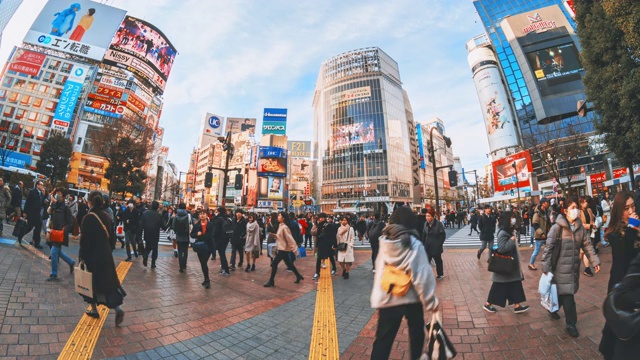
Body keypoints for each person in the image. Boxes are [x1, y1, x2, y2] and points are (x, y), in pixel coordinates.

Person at [370, 207, 439, 360]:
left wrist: (377, 295)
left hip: (387, 296)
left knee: (383, 339)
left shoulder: (385, 241)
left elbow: (380, 269)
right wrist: (431, 300)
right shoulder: (413, 243)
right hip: (410, 295)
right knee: (416, 332)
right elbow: (422, 274)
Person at [542, 196, 600, 338]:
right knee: (568, 296)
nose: (576, 211)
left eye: (577, 208)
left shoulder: (580, 227)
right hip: (560, 269)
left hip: (573, 269)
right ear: (566, 210)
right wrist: (546, 267)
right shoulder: (557, 228)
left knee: (563, 294)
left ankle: (553, 309)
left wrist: (595, 261)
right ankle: (571, 324)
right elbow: (548, 249)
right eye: (573, 208)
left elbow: (587, 245)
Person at [598, 190, 640, 359]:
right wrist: (632, 228)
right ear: (618, 210)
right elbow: (623, 254)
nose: (630, 211)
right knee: (618, 324)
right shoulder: (614, 232)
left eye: (632, 206)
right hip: (620, 284)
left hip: (634, 284)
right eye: (626, 208)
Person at [79, 191, 126, 326]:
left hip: (92, 256)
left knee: (90, 283)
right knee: (107, 283)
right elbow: (112, 237)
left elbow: (84, 240)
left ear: (90, 202)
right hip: (105, 255)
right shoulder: (106, 216)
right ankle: (117, 308)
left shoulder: (88, 218)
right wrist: (109, 250)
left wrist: (82, 257)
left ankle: (94, 309)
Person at [483, 211, 529, 314]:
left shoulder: (508, 231)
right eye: (511, 218)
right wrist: (512, 240)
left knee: (515, 284)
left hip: (510, 266)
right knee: (499, 286)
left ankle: (517, 305)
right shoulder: (503, 233)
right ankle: (488, 304)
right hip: (505, 265)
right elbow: (502, 248)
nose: (513, 220)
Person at [263, 212, 303, 287]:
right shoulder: (281, 226)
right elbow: (281, 237)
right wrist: (275, 236)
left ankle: (271, 281)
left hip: (283, 249)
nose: (278, 217)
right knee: (289, 264)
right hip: (282, 248)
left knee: (274, 264)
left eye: (279, 216)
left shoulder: (284, 227)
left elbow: (290, 239)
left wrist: (295, 250)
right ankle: (298, 276)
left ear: (283, 218)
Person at [45, 187, 75, 282]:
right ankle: (71, 262)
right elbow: (48, 212)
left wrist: (64, 229)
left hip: (60, 233)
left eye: (60, 194)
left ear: (64, 196)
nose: (58, 195)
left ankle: (54, 274)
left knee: (53, 253)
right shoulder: (54, 204)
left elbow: (71, 222)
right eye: (57, 193)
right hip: (53, 231)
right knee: (58, 252)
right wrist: (51, 203)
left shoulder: (66, 207)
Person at [190, 211, 214, 289]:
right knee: (203, 263)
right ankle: (206, 279)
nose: (202, 215)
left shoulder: (211, 224)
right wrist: (197, 234)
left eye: (204, 214)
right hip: (200, 246)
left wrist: (202, 235)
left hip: (208, 246)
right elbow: (192, 234)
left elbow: (211, 235)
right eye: (200, 214)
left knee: (204, 262)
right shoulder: (196, 225)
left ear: (207, 215)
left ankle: (207, 280)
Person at [19, 180, 45, 248]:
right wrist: (25, 212)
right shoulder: (32, 192)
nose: (42, 186)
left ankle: (37, 243)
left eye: (43, 185)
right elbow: (27, 202)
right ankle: (20, 235)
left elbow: (42, 203)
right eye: (41, 185)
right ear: (37, 185)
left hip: (38, 214)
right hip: (31, 213)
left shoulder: (41, 193)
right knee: (29, 227)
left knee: (38, 228)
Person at [422, 209, 446, 280]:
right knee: (426, 261)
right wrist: (423, 243)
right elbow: (424, 235)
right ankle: (425, 275)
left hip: (436, 246)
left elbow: (443, 235)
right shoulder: (425, 224)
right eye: (426, 216)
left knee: (438, 260)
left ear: (432, 216)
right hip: (427, 246)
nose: (427, 218)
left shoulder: (438, 224)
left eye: (429, 216)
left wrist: (439, 244)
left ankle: (440, 274)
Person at [312, 213, 337, 280]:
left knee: (331, 257)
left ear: (325, 218)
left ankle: (334, 268)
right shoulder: (319, 225)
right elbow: (317, 235)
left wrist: (334, 244)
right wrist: (317, 245)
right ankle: (317, 272)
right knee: (319, 258)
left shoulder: (329, 225)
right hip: (321, 244)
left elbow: (333, 235)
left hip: (328, 244)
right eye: (319, 218)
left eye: (322, 217)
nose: (320, 219)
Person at [529, 198, 550, 270]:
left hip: (546, 235)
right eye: (547, 202)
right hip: (540, 236)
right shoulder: (537, 213)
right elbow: (535, 224)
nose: (548, 203)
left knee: (550, 249)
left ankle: (548, 262)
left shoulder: (546, 212)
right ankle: (531, 263)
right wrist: (541, 233)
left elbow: (547, 223)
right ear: (543, 203)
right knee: (536, 251)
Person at [141, 201, 163, 269]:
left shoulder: (145, 213)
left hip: (147, 232)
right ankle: (153, 263)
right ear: (157, 207)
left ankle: (145, 255)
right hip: (155, 233)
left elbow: (141, 223)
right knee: (155, 249)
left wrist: (140, 232)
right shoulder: (159, 215)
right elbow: (162, 225)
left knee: (148, 246)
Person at [579, 196, 597, 277]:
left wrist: (593, 225)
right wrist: (590, 226)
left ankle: (586, 268)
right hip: (581, 233)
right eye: (585, 201)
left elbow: (592, 220)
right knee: (582, 252)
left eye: (587, 202)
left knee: (584, 251)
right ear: (581, 202)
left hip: (589, 233)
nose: (587, 203)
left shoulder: (589, 210)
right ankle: (585, 268)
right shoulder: (578, 212)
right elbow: (579, 224)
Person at [172, 203, 192, 273]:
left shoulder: (176, 216)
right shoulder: (188, 215)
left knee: (180, 251)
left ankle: (181, 266)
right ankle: (184, 264)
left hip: (179, 235)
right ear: (185, 207)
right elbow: (191, 224)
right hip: (186, 235)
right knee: (185, 251)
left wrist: (176, 231)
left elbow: (173, 226)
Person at [213, 207, 231, 276]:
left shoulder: (219, 219)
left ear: (219, 212)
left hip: (220, 238)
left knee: (222, 254)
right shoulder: (227, 218)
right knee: (222, 253)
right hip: (226, 238)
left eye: (217, 211)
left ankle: (226, 269)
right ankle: (224, 268)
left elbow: (216, 230)